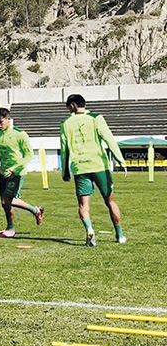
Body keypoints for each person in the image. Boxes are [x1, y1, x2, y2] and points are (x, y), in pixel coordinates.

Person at [58, 94, 126, 246]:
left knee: (83, 206)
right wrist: (120, 160)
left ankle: (89, 229)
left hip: (79, 167)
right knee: (110, 200)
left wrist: (65, 171)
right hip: (99, 166)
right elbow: (109, 139)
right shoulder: (96, 118)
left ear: (73, 106)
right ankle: (120, 235)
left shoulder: (65, 123)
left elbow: (64, 149)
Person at [0, 108, 43, 238]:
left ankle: (33, 211)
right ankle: (11, 228)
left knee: (8, 200)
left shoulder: (20, 134)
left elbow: (28, 155)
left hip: (17, 172)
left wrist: (15, 169)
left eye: (1, 122)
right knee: (5, 203)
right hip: (3, 172)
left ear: (8, 119)